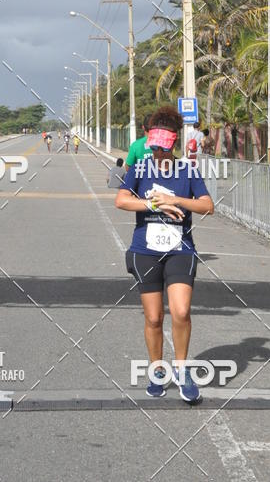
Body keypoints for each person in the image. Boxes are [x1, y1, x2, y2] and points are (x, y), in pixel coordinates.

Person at [115, 105, 214, 403]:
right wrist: (153, 205)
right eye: (154, 148)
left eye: (163, 147)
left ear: (173, 143)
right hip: (145, 250)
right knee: (155, 318)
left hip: (179, 250)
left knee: (181, 311)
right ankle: (158, 370)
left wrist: (175, 199)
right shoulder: (140, 169)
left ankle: (183, 371)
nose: (158, 153)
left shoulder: (187, 170)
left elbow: (207, 206)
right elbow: (121, 200)